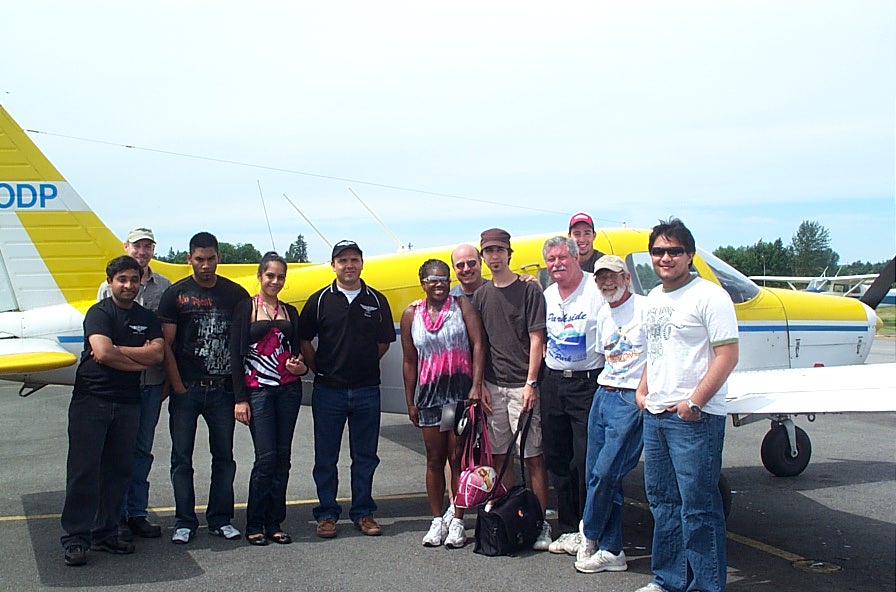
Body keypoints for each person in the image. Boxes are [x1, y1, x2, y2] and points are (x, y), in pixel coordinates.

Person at [634, 218, 739, 592]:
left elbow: (727, 355)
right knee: (662, 503)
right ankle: (669, 579)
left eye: (674, 251)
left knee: (699, 508)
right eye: (659, 251)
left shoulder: (709, 296)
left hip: (693, 419)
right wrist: (643, 391)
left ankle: (707, 585)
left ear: (689, 256)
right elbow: (656, 351)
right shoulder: (654, 299)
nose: (666, 257)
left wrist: (695, 402)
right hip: (657, 415)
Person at [61, 256, 164, 566]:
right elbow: (101, 354)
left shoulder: (147, 316)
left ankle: (105, 533)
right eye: (122, 280)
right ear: (110, 282)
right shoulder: (99, 313)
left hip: (128, 402)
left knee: (118, 470)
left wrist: (119, 354)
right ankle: (76, 538)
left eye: (134, 280)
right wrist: (138, 358)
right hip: (91, 400)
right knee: (84, 470)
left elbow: (157, 354)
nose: (129, 285)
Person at [299, 240, 395, 539]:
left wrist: (362, 365)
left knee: (365, 456)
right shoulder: (318, 300)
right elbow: (304, 340)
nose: (349, 265)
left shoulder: (376, 300)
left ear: (362, 263)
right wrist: (321, 369)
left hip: (367, 390)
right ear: (333, 266)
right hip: (329, 390)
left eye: (354, 259)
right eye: (342, 261)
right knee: (326, 457)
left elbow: (383, 343)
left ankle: (363, 512)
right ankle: (326, 514)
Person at [158, 231, 249, 544]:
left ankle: (220, 518)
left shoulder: (236, 294)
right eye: (199, 259)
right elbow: (166, 345)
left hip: (222, 390)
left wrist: (239, 394)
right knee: (181, 458)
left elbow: (240, 347)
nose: (206, 265)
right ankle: (184, 520)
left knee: (224, 457)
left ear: (219, 258)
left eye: (211, 259)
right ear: (189, 259)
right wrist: (177, 385)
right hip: (188, 390)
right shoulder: (175, 295)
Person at [471, 228, 552, 551]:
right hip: (494, 385)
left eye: (499, 250)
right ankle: (511, 517)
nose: (494, 256)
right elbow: (480, 344)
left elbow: (536, 339)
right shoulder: (481, 295)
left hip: (523, 386)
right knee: (502, 457)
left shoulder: (529, 291)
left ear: (509, 253)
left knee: (533, 457)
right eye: (488, 251)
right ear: (483, 256)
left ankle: (541, 522)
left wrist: (532, 382)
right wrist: (481, 385)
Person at [400, 259, 486, 548]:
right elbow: (410, 361)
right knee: (434, 459)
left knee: (457, 458)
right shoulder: (412, 314)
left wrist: (476, 385)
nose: (439, 283)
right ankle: (437, 519)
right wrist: (410, 400)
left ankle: (458, 520)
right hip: (429, 399)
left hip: (457, 398)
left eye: (444, 278)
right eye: (433, 279)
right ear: (422, 282)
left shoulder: (461, 307)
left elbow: (478, 345)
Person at [97, 227, 171, 540]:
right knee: (114, 450)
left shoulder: (164, 286)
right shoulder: (106, 288)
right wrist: (144, 354)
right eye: (137, 246)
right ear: (127, 247)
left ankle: (136, 512)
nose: (142, 251)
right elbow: (105, 341)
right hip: (119, 384)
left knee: (142, 450)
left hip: (151, 383)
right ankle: (111, 516)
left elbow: (163, 344)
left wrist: (162, 368)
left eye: (147, 246)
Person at [574, 255, 647, 574]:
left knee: (606, 473)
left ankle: (588, 531)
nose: (607, 283)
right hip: (604, 393)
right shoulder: (603, 314)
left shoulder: (646, 309)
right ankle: (612, 548)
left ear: (627, 278)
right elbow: (608, 358)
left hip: (630, 398)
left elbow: (657, 355)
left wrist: (642, 392)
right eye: (601, 278)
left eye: (613, 277)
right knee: (597, 475)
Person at [231, 252, 308, 546]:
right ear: (260, 276)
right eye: (270, 276)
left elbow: (298, 351)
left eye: (280, 277)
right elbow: (236, 356)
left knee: (283, 458)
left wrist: (301, 368)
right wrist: (240, 399)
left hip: (287, 390)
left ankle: (275, 522)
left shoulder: (290, 311)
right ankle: (254, 523)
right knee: (266, 459)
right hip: (258, 391)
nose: (275, 281)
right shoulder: (245, 308)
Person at [539, 237, 605, 555]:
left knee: (585, 458)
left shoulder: (596, 289)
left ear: (576, 256)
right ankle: (568, 526)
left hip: (587, 383)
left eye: (562, 257)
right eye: (550, 259)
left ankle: (589, 527)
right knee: (557, 457)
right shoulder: (548, 295)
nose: (557, 264)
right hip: (553, 382)